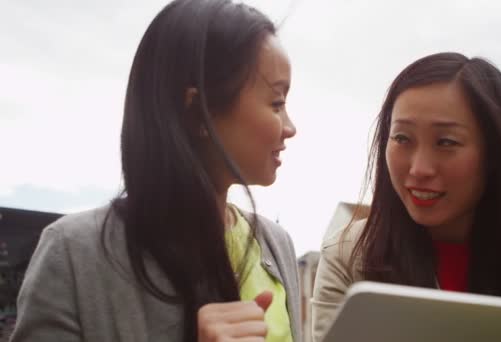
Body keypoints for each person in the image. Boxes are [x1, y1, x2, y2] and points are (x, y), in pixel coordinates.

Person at [10, 1, 300, 341]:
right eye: (276, 103)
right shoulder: (73, 254)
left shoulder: (276, 244)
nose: (290, 127)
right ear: (198, 112)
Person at [311, 52, 501, 342]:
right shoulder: (346, 255)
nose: (419, 169)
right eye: (402, 138)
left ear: (495, 154)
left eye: (446, 142)